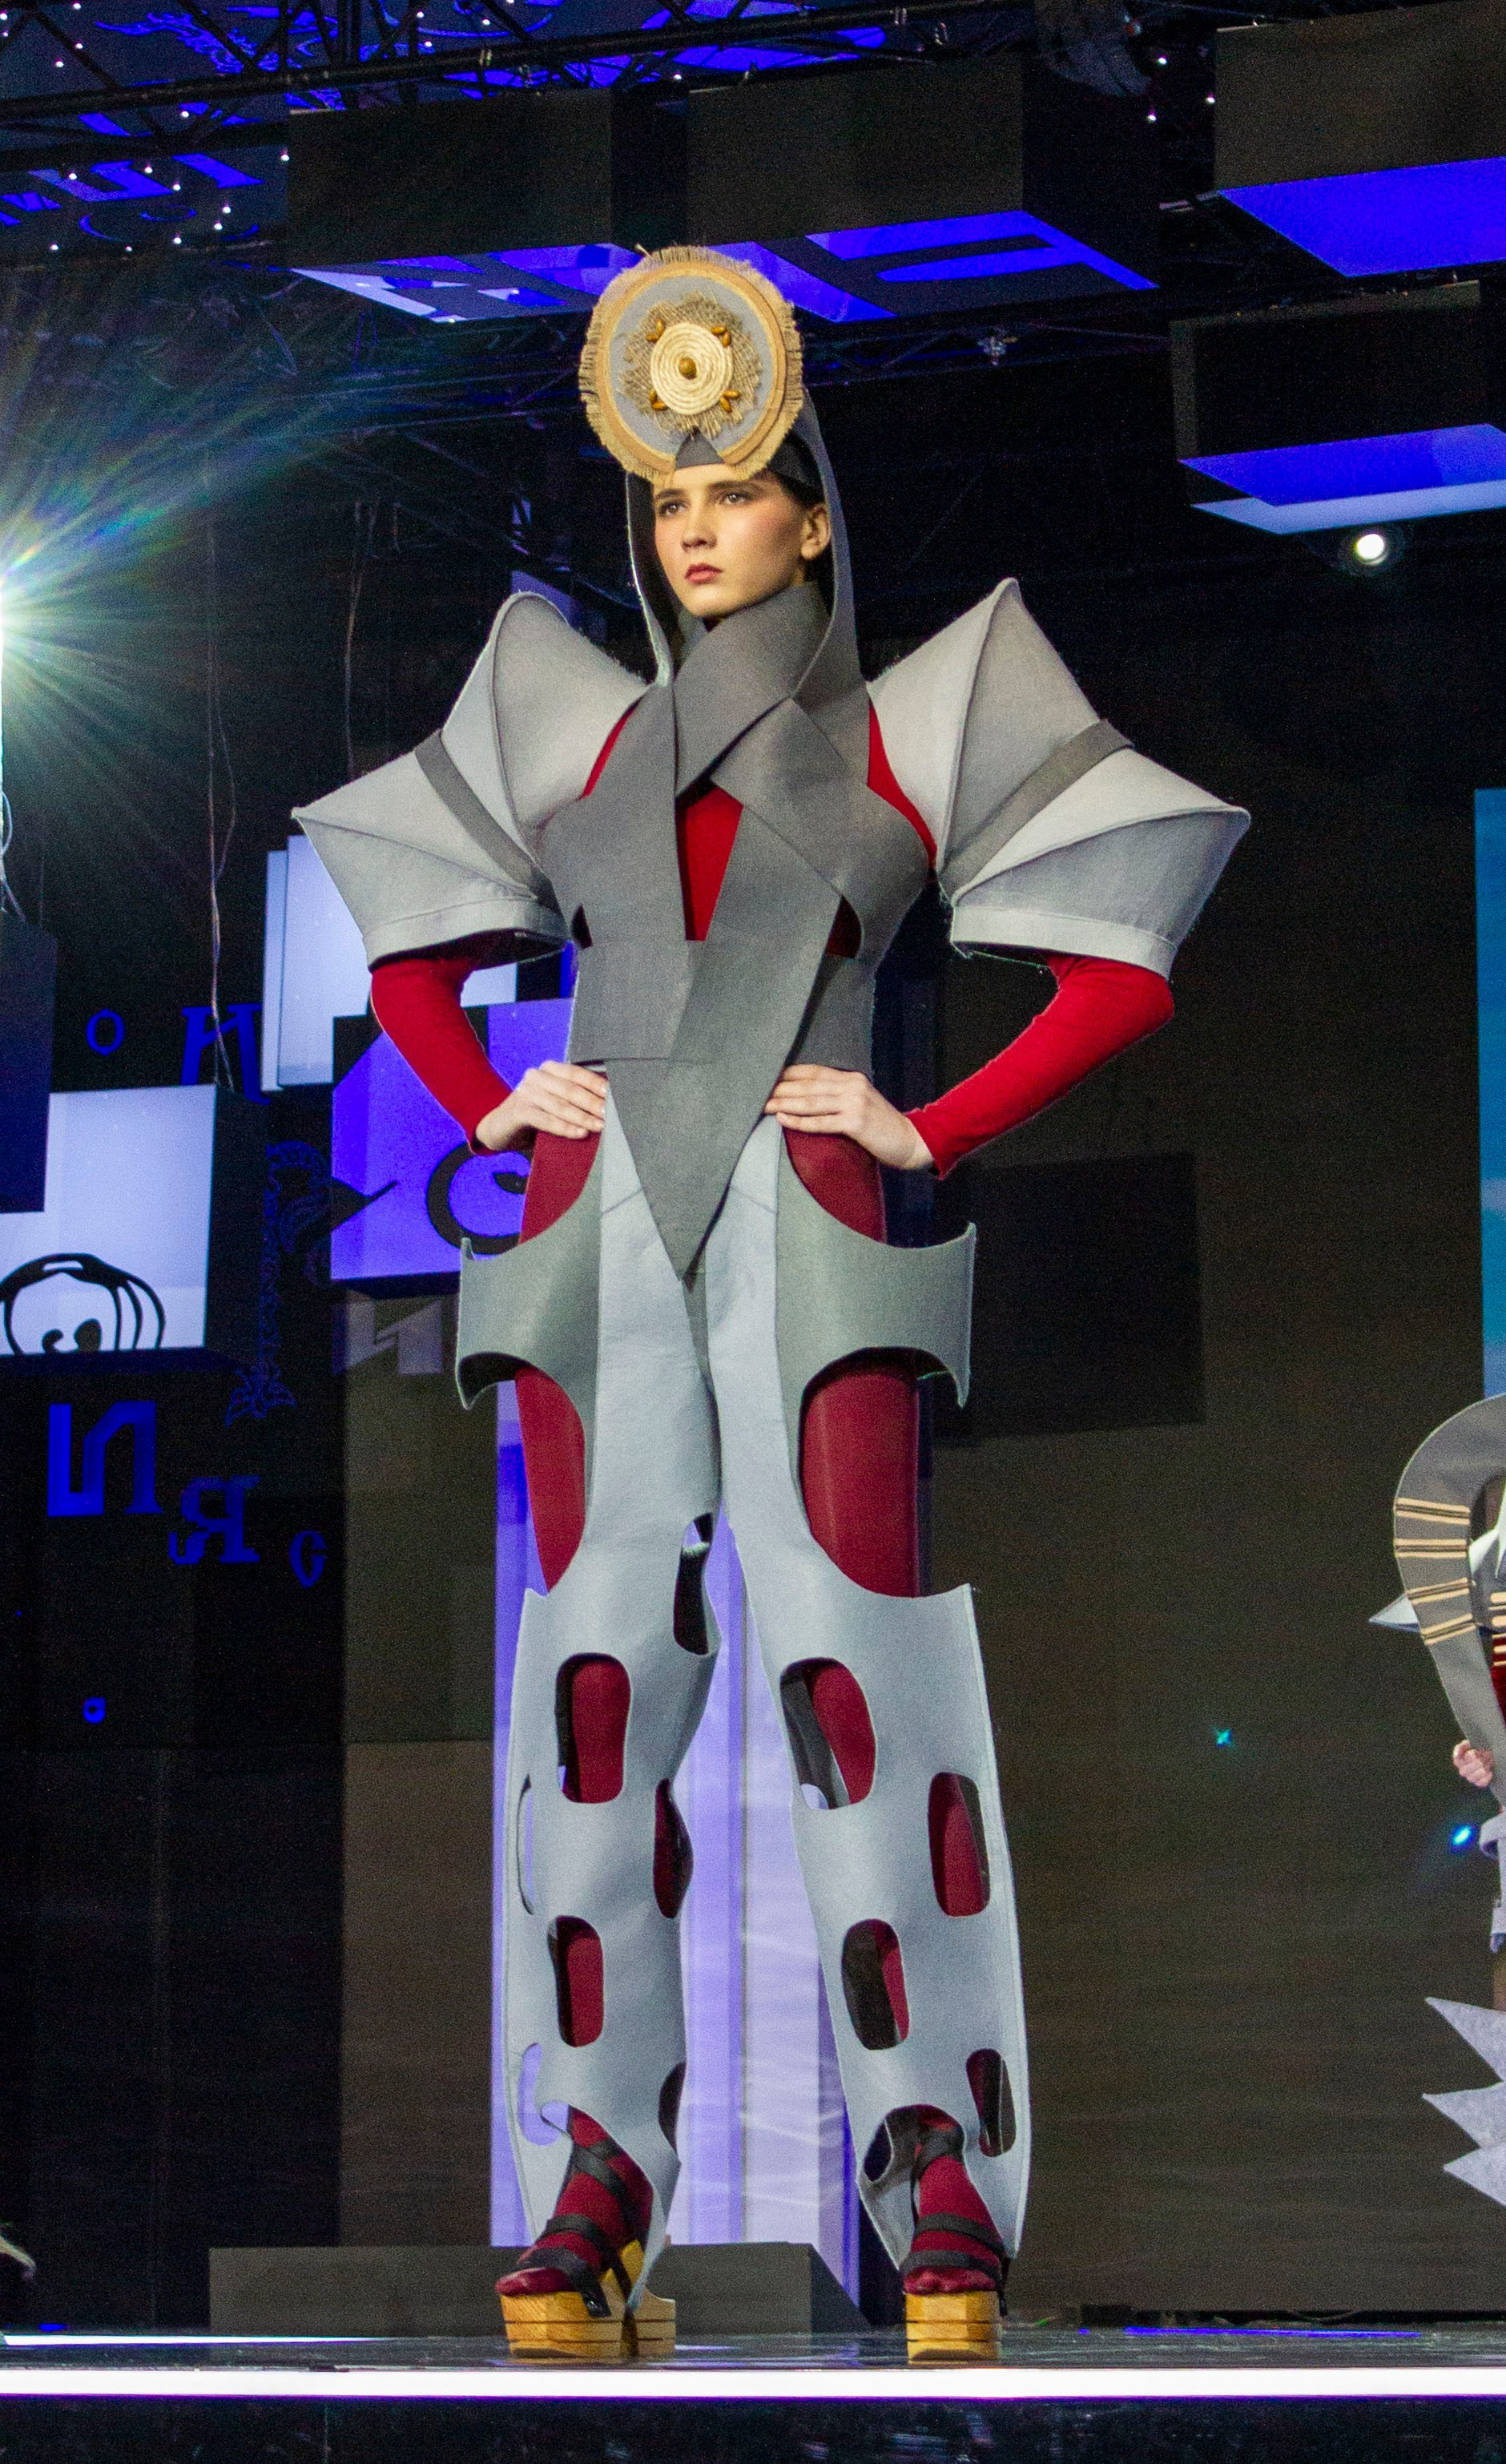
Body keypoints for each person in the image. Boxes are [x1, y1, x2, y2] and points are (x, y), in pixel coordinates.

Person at [296, 248, 1247, 2358]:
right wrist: (488, 1094)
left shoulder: (919, 720)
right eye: (668, 499)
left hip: (811, 1216)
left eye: (734, 489)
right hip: (598, 1231)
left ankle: (937, 2166)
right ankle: (597, 2171)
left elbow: (1125, 955)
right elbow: (408, 942)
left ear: (813, 516)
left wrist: (930, 1119)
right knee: (594, 1690)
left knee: (855, 1674)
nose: (696, 527)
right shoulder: (572, 729)